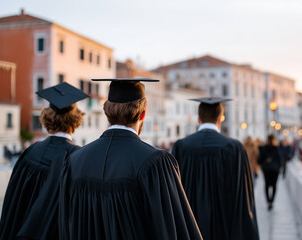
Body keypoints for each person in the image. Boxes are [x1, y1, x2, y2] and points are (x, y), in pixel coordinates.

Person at [59, 78, 202, 240]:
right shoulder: (155, 162)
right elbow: (172, 229)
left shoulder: (74, 162)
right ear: (143, 113)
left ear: (107, 111)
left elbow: (66, 227)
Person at [0, 82, 88, 240]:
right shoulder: (78, 158)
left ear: (47, 116)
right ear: (76, 119)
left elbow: (13, 204)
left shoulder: (31, 152)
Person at [172, 97, 259, 240]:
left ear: (198, 119)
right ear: (220, 119)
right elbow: (242, 195)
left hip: (189, 227)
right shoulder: (234, 148)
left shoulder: (181, 146)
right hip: (224, 227)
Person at [258, 134, 283, 211]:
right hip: (275, 169)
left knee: (267, 185)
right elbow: (280, 159)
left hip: (266, 169)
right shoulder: (277, 148)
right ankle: (271, 201)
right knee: (274, 185)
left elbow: (259, 160)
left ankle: (268, 201)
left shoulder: (264, 148)